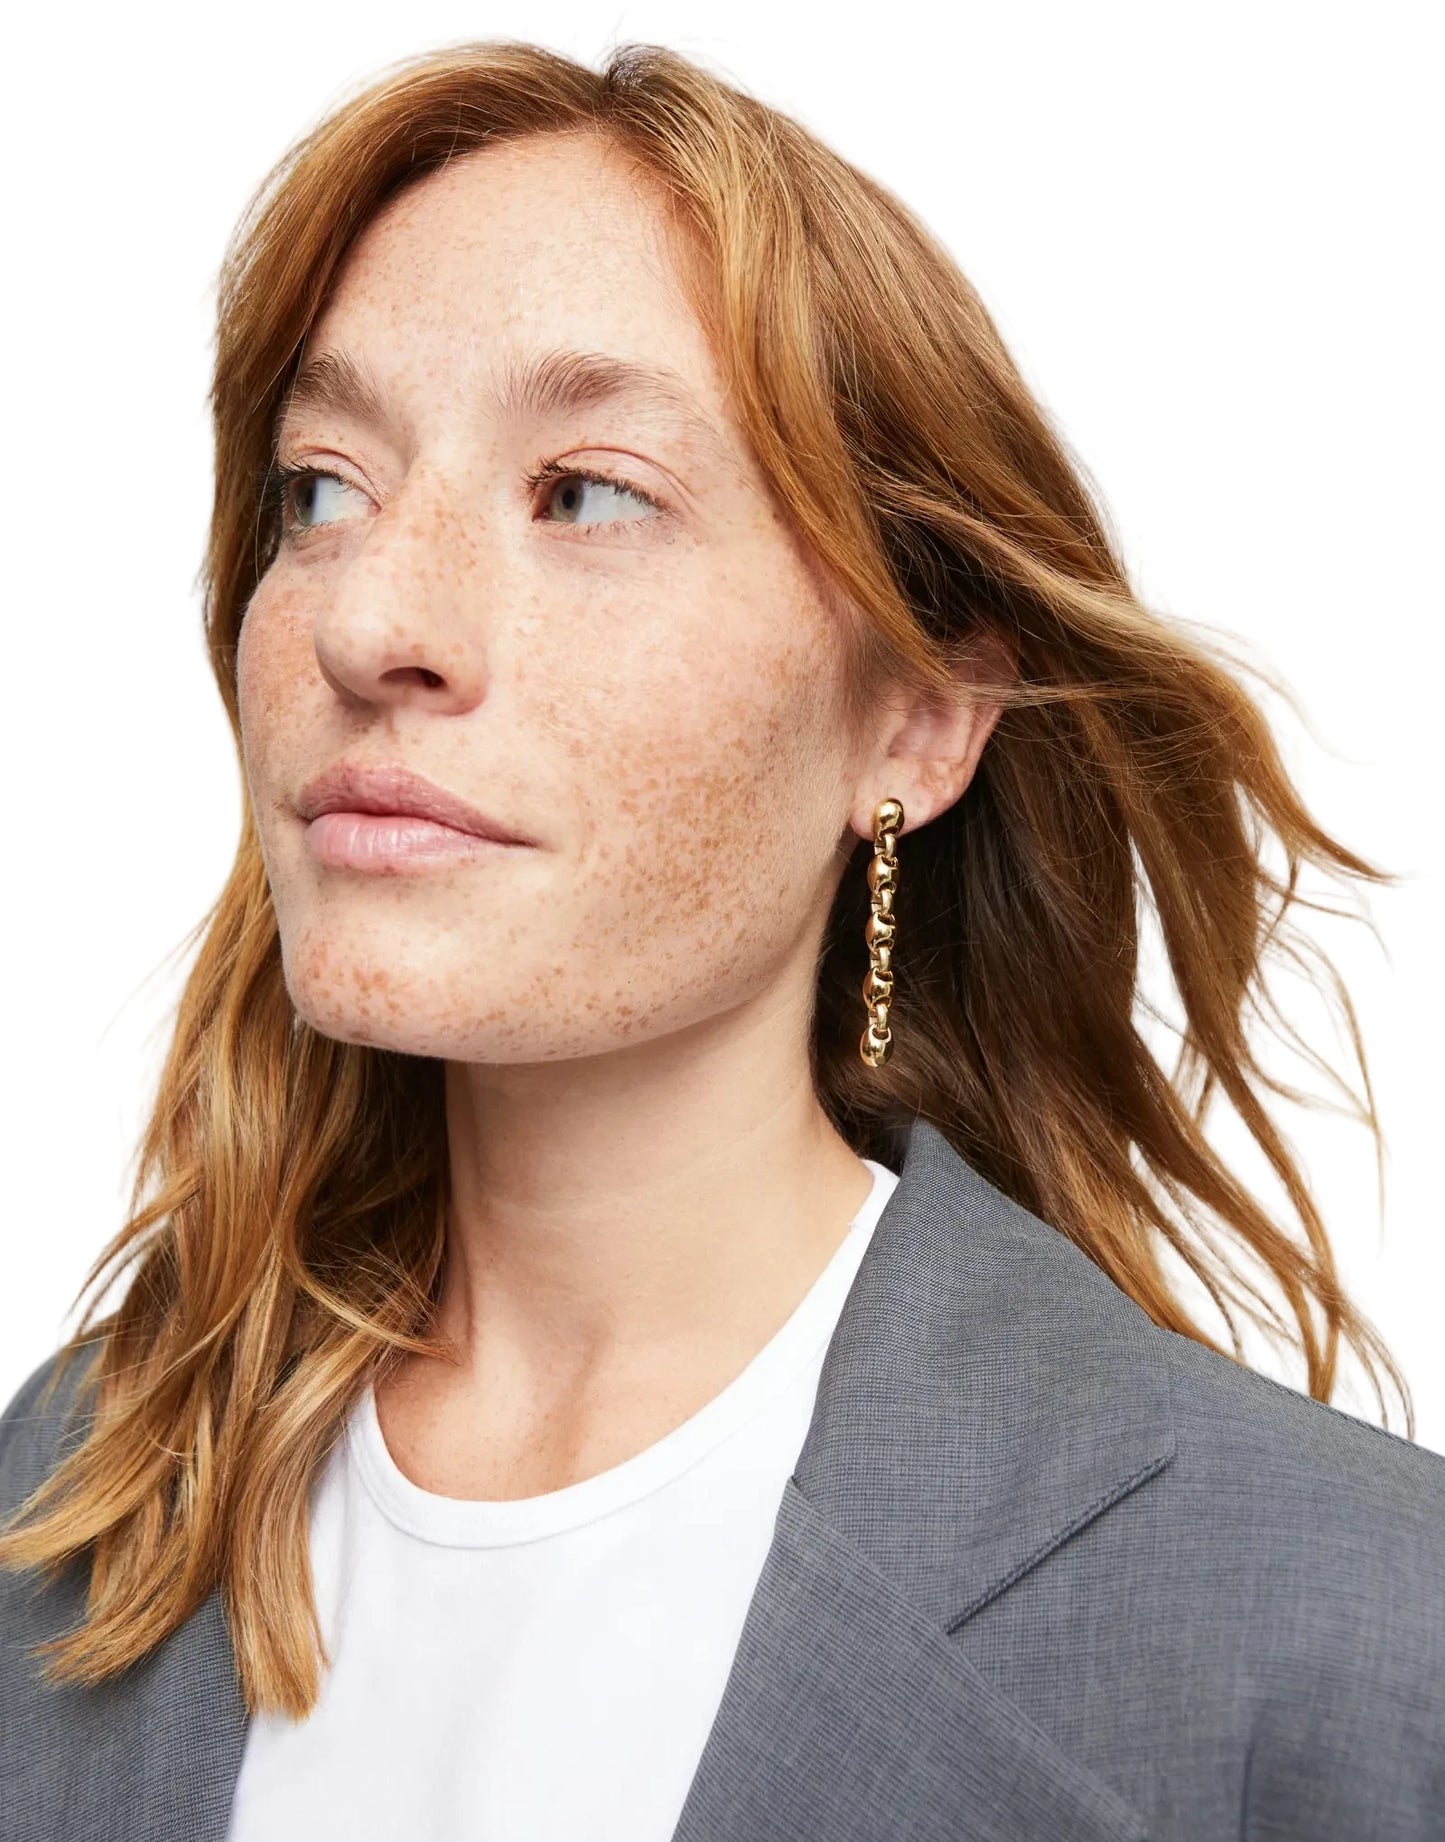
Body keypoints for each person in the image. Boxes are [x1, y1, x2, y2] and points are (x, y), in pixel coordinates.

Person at [2, 37, 1441, 1842]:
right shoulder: (62, 1498)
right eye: (320, 486)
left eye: (584, 491)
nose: (370, 616)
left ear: (915, 722)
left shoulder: (1346, 1635)